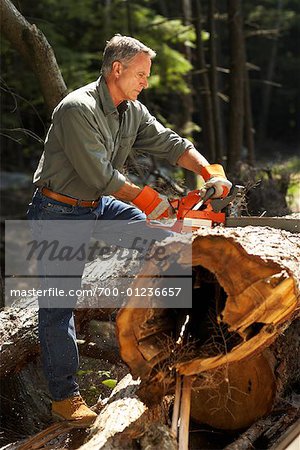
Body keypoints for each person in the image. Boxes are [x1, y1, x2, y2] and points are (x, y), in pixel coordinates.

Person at [27, 34, 232, 426]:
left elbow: (169, 142)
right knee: (57, 306)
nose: (146, 82)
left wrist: (209, 170)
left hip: (97, 205)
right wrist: (149, 198)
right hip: (59, 209)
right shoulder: (77, 109)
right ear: (116, 69)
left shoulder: (130, 109)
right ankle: (64, 398)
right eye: (141, 74)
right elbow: (98, 174)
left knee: (159, 239)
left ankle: (171, 331)